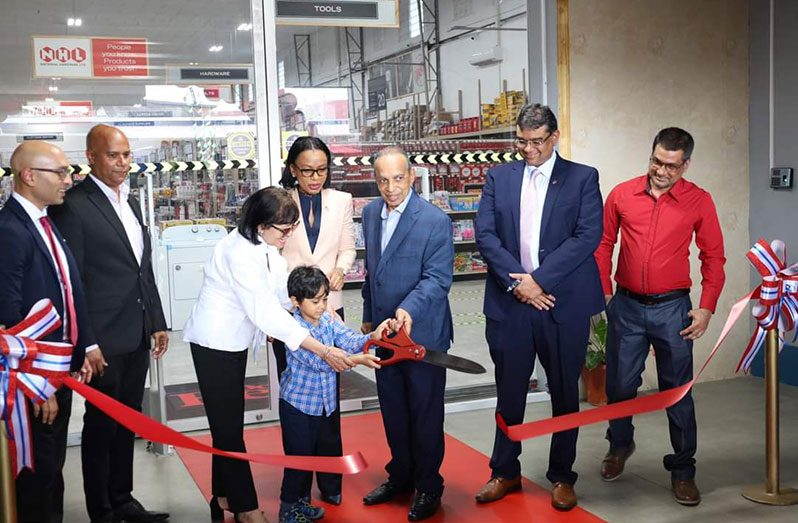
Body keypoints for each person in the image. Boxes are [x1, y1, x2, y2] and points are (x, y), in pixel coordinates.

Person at [182, 187, 378, 523]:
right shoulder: (239, 252)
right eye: (284, 230)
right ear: (261, 224)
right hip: (214, 343)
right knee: (229, 431)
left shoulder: (266, 246)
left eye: (291, 229)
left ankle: (224, 497)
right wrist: (322, 348)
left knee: (225, 426)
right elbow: (265, 312)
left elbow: (280, 293)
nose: (288, 236)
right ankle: (246, 509)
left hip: (235, 342)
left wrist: (317, 306)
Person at [474, 103, 604, 511]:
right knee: (509, 393)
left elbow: (587, 236)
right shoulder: (499, 176)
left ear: (554, 137)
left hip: (560, 304)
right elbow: (486, 234)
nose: (526, 149)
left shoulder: (582, 178)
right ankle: (504, 470)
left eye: (534, 142)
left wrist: (540, 281)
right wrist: (520, 284)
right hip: (511, 303)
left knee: (565, 393)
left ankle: (562, 476)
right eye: (521, 140)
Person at [594, 127, 725, 506]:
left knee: (676, 392)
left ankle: (683, 470)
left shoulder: (699, 201)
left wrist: (706, 307)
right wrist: (604, 290)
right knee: (618, 386)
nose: (661, 171)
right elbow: (604, 243)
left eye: (670, 165)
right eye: (656, 161)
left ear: (685, 164)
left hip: (674, 310)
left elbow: (713, 257)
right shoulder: (622, 194)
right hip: (627, 306)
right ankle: (619, 445)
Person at [48, 124, 170, 523]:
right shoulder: (74, 204)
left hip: (135, 331)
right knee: (102, 425)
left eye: (127, 155)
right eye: (113, 156)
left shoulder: (129, 203)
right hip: (101, 340)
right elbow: (73, 278)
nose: (122, 163)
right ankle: (101, 509)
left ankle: (124, 499)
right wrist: (86, 342)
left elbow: (141, 269)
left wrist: (156, 319)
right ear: (92, 157)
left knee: (128, 418)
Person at [0, 141, 95, 523]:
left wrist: (82, 346)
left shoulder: (44, 220)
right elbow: (8, 317)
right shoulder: (10, 230)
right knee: (37, 473)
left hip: (56, 369)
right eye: (59, 173)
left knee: (51, 465)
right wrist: (37, 382)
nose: (68, 180)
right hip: (32, 378)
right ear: (28, 176)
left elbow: (68, 288)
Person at [360, 146, 454, 522]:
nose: (391, 188)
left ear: (412, 177)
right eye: (383, 180)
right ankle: (400, 476)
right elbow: (373, 271)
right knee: (394, 412)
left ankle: (429, 485)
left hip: (422, 335)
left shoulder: (434, 220)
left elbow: (437, 278)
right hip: (385, 335)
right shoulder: (369, 213)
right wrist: (369, 317)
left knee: (425, 414)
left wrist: (407, 310)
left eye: (398, 179)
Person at [277, 136, 357, 505]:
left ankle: (331, 479)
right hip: (289, 313)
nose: (315, 178)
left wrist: (340, 270)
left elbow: (347, 246)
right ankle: (297, 485)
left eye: (322, 170)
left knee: (330, 400)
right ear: (293, 169)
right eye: (307, 170)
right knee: (297, 398)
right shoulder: (279, 202)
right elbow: (271, 255)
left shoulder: (340, 201)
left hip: (329, 308)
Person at [279, 266, 388, 523]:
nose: (321, 306)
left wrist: (374, 336)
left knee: (316, 455)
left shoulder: (327, 320)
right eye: (315, 301)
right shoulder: (293, 329)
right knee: (299, 460)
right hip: (298, 406)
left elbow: (348, 338)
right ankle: (288, 508)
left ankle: (302, 504)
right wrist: (357, 360)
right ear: (295, 301)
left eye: (325, 299)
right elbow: (321, 362)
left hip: (324, 405)